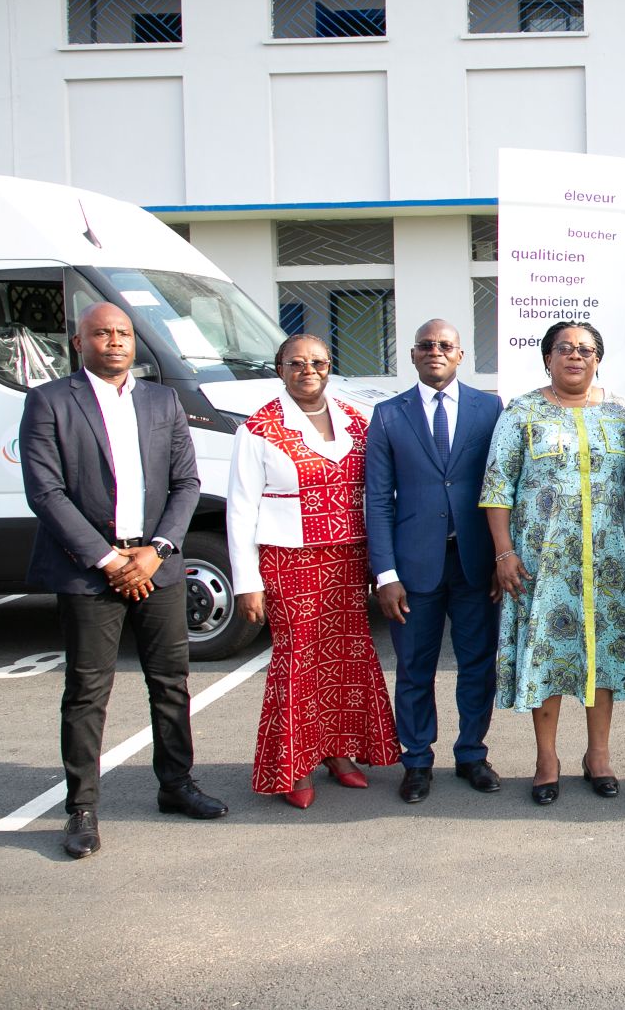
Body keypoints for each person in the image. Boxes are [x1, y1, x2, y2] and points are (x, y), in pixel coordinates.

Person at [20, 302, 227, 859]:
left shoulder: (161, 400)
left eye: (124, 333)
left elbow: (186, 483)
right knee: (87, 691)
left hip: (156, 565)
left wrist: (157, 552)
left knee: (171, 682)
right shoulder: (49, 402)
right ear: (78, 342)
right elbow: (45, 493)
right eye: (102, 333)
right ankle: (82, 808)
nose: (114, 342)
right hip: (88, 571)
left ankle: (176, 785)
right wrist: (109, 561)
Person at [481, 320, 625, 805]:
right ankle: (547, 759)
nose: (575, 356)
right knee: (551, 656)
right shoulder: (522, 413)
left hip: (609, 564)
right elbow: (497, 486)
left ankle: (598, 755)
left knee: (600, 658)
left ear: (598, 358)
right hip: (542, 565)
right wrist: (504, 551)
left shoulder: (621, 413)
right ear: (547, 358)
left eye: (585, 349)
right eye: (565, 348)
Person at [227, 333, 400, 809]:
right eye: (296, 363)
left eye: (318, 363)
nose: (309, 371)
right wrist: (247, 583)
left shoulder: (356, 421)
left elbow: (376, 493)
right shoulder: (258, 430)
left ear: (330, 368)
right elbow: (240, 511)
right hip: (290, 560)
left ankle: (339, 754)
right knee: (298, 663)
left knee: (344, 661)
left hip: (347, 560)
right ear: (280, 368)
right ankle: (294, 764)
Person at [365, 319, 504, 804]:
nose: (436, 352)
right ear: (413, 354)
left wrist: (501, 558)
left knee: (477, 664)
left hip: (475, 564)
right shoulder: (387, 415)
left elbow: (501, 488)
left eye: (445, 345)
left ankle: (471, 753)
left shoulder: (490, 408)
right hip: (412, 568)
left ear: (461, 354)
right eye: (426, 345)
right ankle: (417, 760)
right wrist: (385, 573)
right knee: (415, 667)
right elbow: (377, 501)